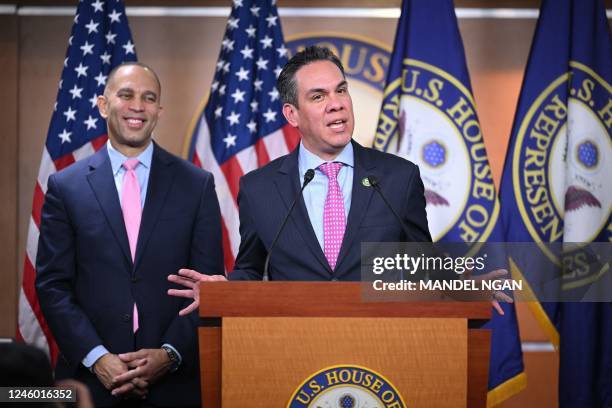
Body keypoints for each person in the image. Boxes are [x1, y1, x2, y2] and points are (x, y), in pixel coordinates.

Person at [35, 62, 224, 407]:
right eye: (126, 95)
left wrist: (170, 354)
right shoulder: (65, 187)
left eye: (149, 98)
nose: (138, 106)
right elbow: (52, 285)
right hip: (90, 386)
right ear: (104, 105)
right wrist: (97, 358)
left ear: (159, 111)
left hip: (175, 387)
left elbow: (208, 287)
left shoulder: (196, 185)